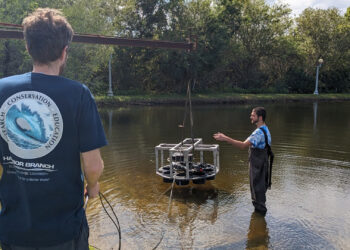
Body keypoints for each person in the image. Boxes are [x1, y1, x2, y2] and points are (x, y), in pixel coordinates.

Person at [0, 8, 107, 249]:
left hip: (13, 229)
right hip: (63, 232)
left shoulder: (1, 90)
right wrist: (93, 186)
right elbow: (93, 165)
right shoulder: (78, 94)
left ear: (28, 48)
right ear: (64, 52)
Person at [213, 107, 271, 215]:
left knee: (257, 191)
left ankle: (259, 219)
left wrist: (225, 138)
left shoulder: (259, 132)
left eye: (253, 115)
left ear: (260, 117)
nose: (251, 117)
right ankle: (259, 218)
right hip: (262, 164)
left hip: (258, 167)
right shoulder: (265, 129)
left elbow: (242, 145)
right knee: (259, 190)